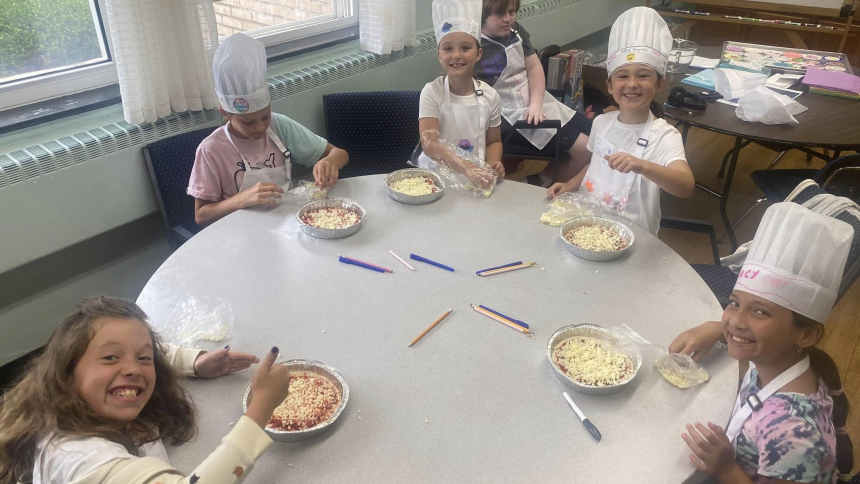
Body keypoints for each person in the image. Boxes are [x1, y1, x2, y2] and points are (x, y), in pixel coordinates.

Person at [0, 296, 291, 484]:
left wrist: (196, 361)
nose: (134, 368)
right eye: (111, 357)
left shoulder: (68, 402)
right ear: (67, 370)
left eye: (143, 359)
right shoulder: (76, 457)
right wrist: (261, 406)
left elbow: (152, 349)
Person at [670, 203, 855, 484]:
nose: (736, 321)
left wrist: (727, 469)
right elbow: (742, 325)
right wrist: (716, 329)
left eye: (760, 312)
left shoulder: (792, 433)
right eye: (733, 303)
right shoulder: (778, 361)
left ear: (806, 335)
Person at [546, 7, 694, 235]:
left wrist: (641, 165)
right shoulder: (601, 123)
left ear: (659, 84)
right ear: (610, 85)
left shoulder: (664, 136)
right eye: (622, 76)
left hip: (633, 234)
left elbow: (685, 186)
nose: (632, 84)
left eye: (643, 75)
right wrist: (570, 185)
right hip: (588, 222)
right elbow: (594, 164)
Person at [188, 33, 349, 227]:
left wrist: (328, 162)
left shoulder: (279, 125)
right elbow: (201, 215)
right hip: (240, 230)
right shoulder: (211, 150)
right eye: (248, 122)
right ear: (226, 114)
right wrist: (241, 199)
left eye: (265, 116)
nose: (260, 127)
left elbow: (340, 154)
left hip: (287, 223)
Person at [476, 0, 593, 184]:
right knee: (586, 149)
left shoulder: (516, 31)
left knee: (597, 136)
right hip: (507, 116)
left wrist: (536, 104)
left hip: (535, 102)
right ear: (482, 14)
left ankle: (537, 181)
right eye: (501, 14)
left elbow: (534, 68)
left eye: (512, 12)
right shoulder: (472, 44)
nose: (508, 19)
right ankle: (545, 192)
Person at [418, 0, 505, 189]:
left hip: (476, 181)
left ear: (478, 53)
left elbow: (494, 141)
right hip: (433, 181)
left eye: (465, 48)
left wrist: (492, 165)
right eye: (448, 48)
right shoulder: (432, 92)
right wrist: (466, 168)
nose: (456, 55)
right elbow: (429, 143)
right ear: (439, 55)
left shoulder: (490, 96)